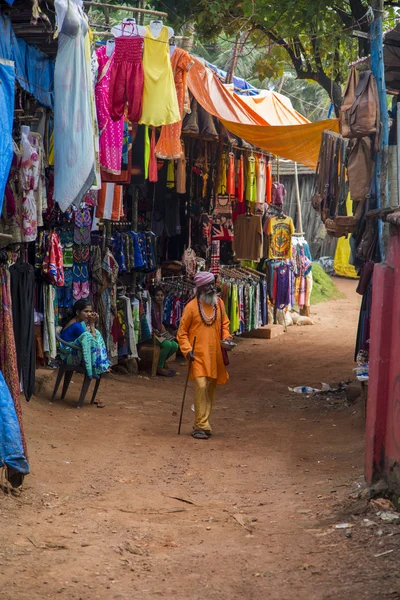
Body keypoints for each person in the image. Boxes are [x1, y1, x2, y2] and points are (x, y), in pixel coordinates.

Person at [177, 271, 231, 439]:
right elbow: (182, 333)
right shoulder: (191, 308)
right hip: (197, 355)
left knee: (210, 389)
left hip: (215, 355)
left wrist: (227, 338)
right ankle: (200, 425)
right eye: (208, 285)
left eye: (212, 284)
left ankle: (203, 422)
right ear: (199, 288)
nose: (212, 287)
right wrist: (187, 350)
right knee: (201, 385)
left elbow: (225, 325)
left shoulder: (219, 304)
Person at [60, 299, 111, 384]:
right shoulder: (76, 325)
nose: (89, 314)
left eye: (90, 311)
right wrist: (92, 324)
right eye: (86, 311)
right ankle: (99, 364)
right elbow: (90, 341)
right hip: (68, 356)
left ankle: (101, 362)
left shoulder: (79, 323)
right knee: (92, 335)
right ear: (77, 312)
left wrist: (92, 324)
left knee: (96, 333)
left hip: (72, 351)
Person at [151, 287, 178, 377]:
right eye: (157, 295)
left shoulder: (161, 307)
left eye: (162, 295)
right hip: (152, 333)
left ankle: (162, 363)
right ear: (154, 297)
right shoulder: (151, 307)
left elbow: (161, 323)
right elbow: (147, 321)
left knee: (175, 345)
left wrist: (166, 333)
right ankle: (159, 367)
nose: (160, 297)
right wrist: (153, 329)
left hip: (160, 332)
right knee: (167, 345)